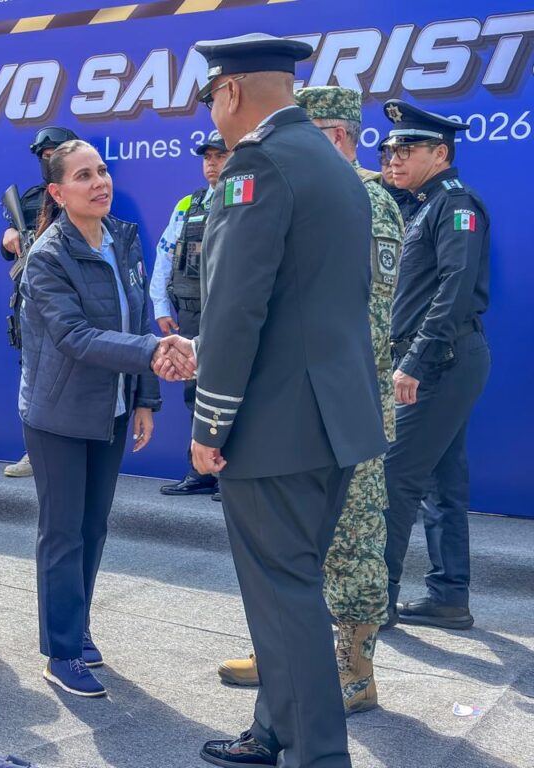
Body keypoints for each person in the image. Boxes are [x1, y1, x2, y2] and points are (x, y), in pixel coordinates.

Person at [186, 34, 386, 767]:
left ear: (231, 91)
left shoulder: (256, 167)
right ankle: (273, 731)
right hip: (331, 419)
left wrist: (210, 421)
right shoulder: (333, 167)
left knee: (285, 597)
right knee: (288, 588)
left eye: (212, 97)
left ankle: (316, 756)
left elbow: (237, 310)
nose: (214, 112)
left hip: (276, 427)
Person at [217, 86, 404, 716]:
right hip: (309, 400)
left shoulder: (367, 200)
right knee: (296, 550)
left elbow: (366, 317)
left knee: (352, 539)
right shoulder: (314, 192)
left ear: (341, 135)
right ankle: (289, 663)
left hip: (349, 400)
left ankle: (351, 666)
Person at [20, 139, 193, 698]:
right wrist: (150, 353)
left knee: (92, 527)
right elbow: (74, 336)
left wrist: (145, 397)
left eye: (102, 171)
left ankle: (78, 625)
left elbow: (140, 312)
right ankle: (60, 650)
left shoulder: (122, 237)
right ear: (57, 192)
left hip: (113, 408)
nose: (99, 182)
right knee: (63, 532)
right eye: (83, 176)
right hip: (59, 414)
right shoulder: (47, 256)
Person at [380, 100, 491, 631]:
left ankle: (372, 604)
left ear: (440, 153)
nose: (393, 157)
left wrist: (416, 361)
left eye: (407, 148)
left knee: (395, 477)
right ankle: (449, 596)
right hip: (434, 358)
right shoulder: (415, 204)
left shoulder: (455, 203)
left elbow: (455, 285)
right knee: (442, 480)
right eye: (389, 148)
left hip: (441, 359)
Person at [151, 130, 229, 497]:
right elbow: (165, 254)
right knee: (196, 393)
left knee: (235, 391)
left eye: (220, 156)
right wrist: (161, 306)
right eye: (207, 157)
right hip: (194, 315)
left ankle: (233, 476)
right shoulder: (188, 205)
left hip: (233, 315)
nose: (212, 164)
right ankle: (201, 472)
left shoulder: (253, 200)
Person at [2, 125, 79, 478]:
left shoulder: (85, 192)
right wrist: (8, 238)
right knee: (31, 377)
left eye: (55, 157)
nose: (49, 163)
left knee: (73, 375)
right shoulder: (31, 198)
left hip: (72, 302)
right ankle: (34, 454)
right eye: (44, 158)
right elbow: (8, 253)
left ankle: (70, 453)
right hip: (30, 300)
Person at [378, 138, 419, 223]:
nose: (392, 163)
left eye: (402, 157)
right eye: (385, 158)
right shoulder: (369, 195)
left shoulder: (422, 201)